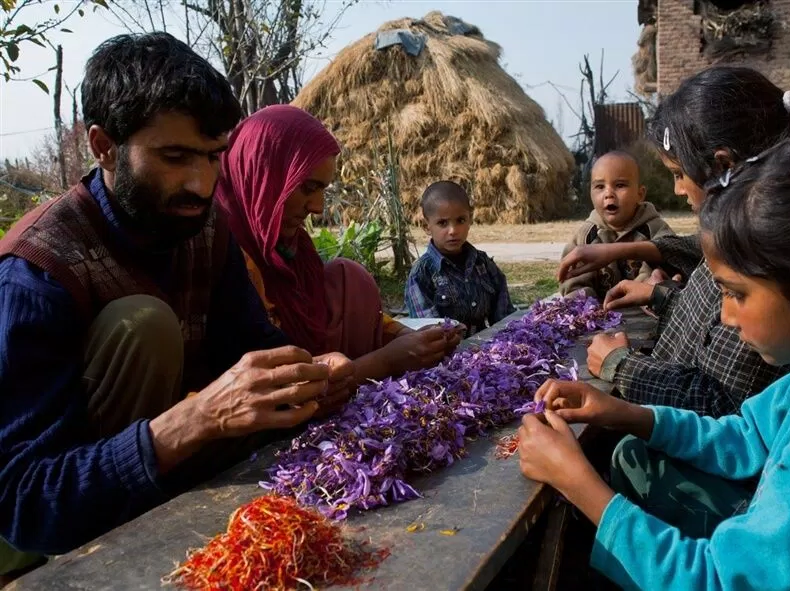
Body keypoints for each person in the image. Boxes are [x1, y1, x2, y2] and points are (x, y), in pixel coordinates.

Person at [0, 33, 345, 578]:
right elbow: (26, 504)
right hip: (72, 532)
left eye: (213, 157)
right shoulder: (36, 272)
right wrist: (195, 419)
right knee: (142, 325)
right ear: (104, 145)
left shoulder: (206, 229)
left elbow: (253, 343)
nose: (202, 183)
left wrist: (310, 370)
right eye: (175, 156)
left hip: (170, 476)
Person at [519, 134, 790, 589]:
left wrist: (578, 483)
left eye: (736, 293)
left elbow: (716, 581)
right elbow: (747, 435)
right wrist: (625, 413)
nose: (724, 315)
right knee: (637, 454)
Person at [560, 66, 790, 417]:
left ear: (723, 166)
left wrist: (621, 365)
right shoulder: (746, 240)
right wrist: (659, 294)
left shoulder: (762, 264)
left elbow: (722, 407)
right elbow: (704, 312)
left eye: (679, 174)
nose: (678, 189)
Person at [214, 105, 462, 385]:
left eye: (322, 190)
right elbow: (267, 386)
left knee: (349, 279)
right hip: (272, 408)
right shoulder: (226, 258)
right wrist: (385, 362)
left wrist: (407, 337)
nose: (317, 207)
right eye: (307, 188)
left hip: (324, 377)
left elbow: (316, 304)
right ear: (263, 177)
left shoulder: (292, 249)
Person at [404, 181, 516, 336]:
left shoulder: (483, 264)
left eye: (460, 220)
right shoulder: (421, 275)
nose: (453, 231)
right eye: (442, 223)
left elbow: (505, 320)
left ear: (470, 219)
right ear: (426, 226)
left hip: (487, 350)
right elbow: (430, 334)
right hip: (445, 354)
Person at [559, 150, 674, 299]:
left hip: (642, 310)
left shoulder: (653, 228)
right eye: (600, 187)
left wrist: (648, 283)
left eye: (620, 185)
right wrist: (582, 299)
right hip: (599, 314)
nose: (608, 193)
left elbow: (671, 255)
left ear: (640, 194)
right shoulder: (587, 235)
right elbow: (572, 279)